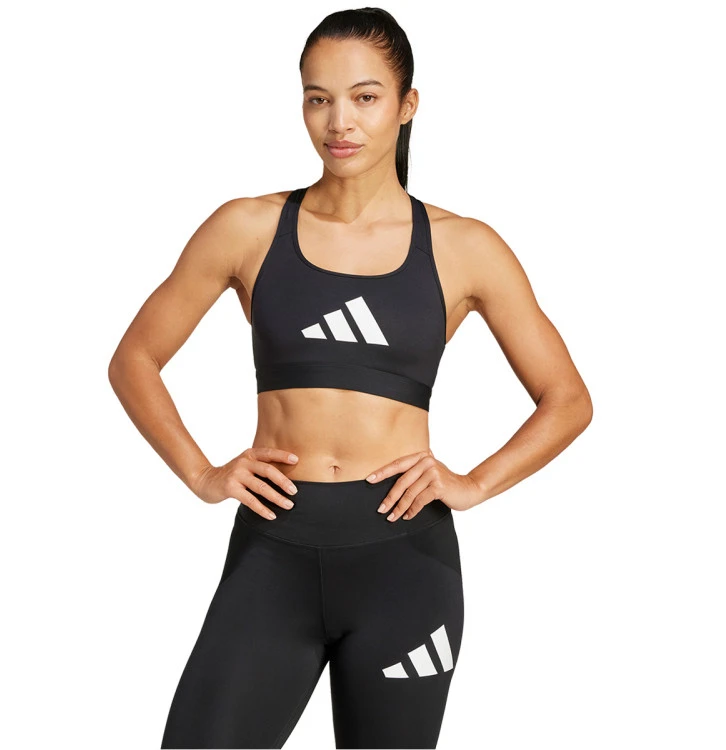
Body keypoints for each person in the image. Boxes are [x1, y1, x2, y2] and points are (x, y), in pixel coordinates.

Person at [108, 7, 592, 749]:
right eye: (318, 98)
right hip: (272, 549)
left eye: (365, 97)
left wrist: (473, 483)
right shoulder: (248, 227)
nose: (340, 122)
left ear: (407, 105)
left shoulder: (464, 247)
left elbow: (567, 399)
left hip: (406, 564)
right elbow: (135, 358)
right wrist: (202, 474)